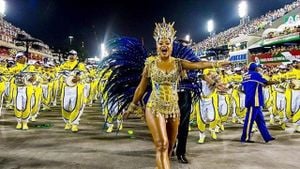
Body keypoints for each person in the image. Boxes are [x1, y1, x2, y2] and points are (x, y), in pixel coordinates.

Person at [126, 18, 230, 169]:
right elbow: (141, 88)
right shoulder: (150, 64)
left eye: (167, 42)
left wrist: (217, 63)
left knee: (168, 149)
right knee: (162, 144)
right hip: (155, 107)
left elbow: (198, 65)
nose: (164, 45)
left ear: (171, 45)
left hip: (174, 108)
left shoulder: (179, 63)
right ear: (156, 45)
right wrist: (132, 106)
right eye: (160, 42)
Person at [241, 62, 277, 143]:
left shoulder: (245, 76)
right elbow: (265, 82)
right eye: (257, 67)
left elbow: (242, 88)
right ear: (255, 68)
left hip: (250, 99)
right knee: (249, 120)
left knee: (261, 121)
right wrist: (276, 82)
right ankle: (245, 138)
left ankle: (267, 137)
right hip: (254, 101)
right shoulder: (256, 74)